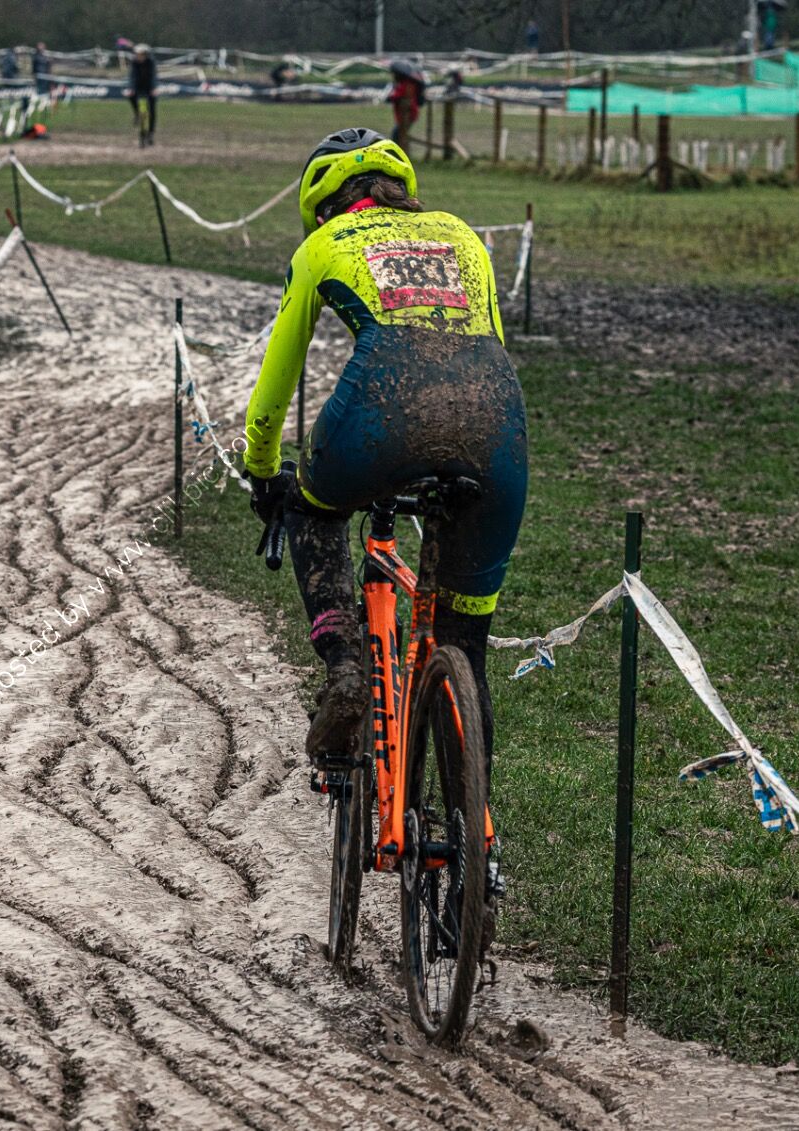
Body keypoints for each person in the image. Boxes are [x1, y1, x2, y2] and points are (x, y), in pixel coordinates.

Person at [242, 127, 526, 795]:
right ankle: (474, 834)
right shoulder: (463, 237)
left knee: (311, 509)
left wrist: (263, 467)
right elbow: (491, 345)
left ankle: (346, 668)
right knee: (466, 645)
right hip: (495, 422)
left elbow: (274, 387)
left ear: (324, 205)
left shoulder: (323, 245)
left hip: (380, 412)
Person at [127, 43, 158, 147]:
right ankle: (137, 115)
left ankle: (151, 133)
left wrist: (154, 88)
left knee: (152, 111)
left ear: (145, 55)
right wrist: (131, 88)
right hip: (139, 88)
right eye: (137, 54)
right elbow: (132, 76)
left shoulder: (151, 63)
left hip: (149, 88)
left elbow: (153, 76)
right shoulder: (134, 63)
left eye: (140, 54)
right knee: (140, 110)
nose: (138, 56)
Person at [387, 68, 423, 147]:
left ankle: (401, 151)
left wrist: (392, 97)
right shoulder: (403, 83)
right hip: (405, 115)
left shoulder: (407, 84)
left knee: (398, 135)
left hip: (408, 114)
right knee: (399, 134)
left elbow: (400, 95)